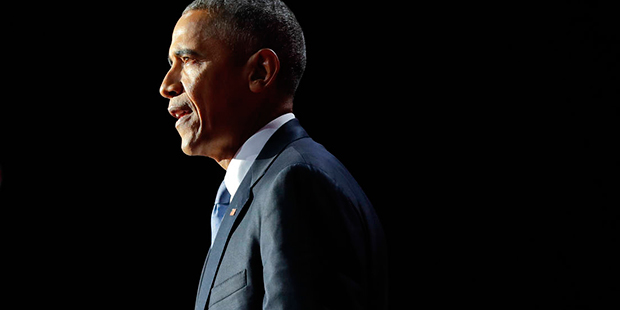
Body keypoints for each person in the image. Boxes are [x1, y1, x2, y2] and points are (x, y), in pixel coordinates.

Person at [159, 1, 388, 309]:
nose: (167, 86)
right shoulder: (253, 190)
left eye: (186, 60)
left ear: (259, 72)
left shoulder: (296, 182)